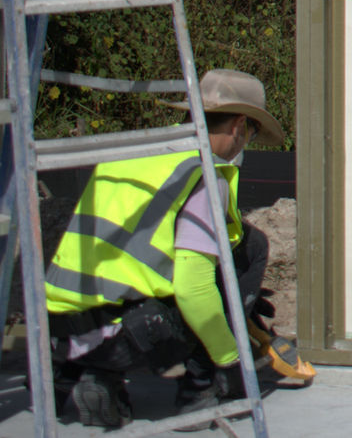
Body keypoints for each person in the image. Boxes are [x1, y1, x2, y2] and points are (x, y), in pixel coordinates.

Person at [44, 68, 287, 428]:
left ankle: (78, 376)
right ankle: (199, 393)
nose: (245, 143)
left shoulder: (134, 153)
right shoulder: (202, 174)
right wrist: (231, 359)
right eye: (250, 133)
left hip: (55, 330)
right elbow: (195, 289)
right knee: (247, 252)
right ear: (238, 126)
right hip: (126, 338)